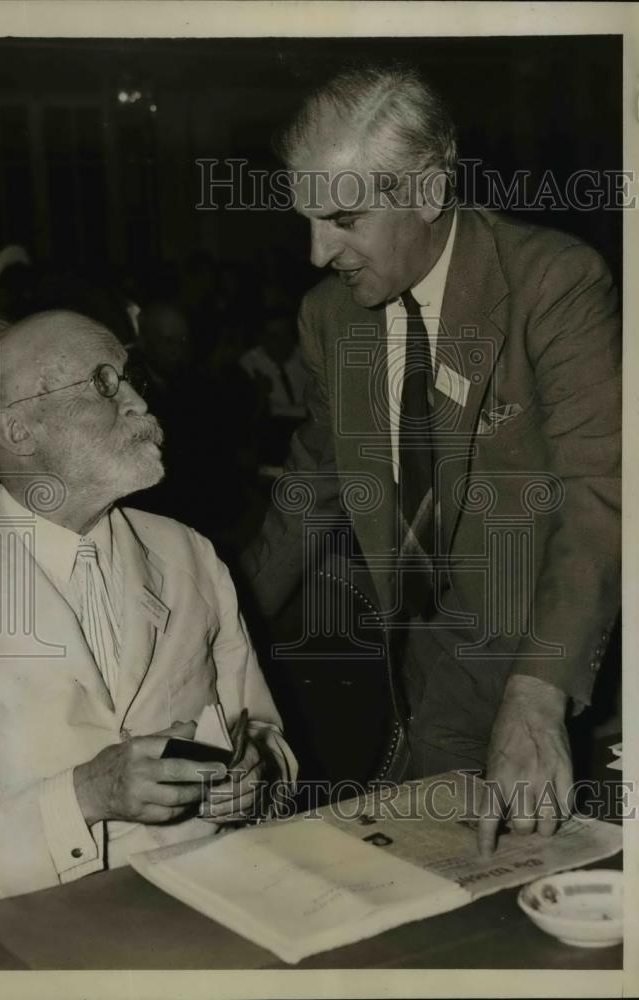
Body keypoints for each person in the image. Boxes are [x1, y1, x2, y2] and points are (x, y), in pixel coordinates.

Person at [242, 63, 620, 854]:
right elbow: (313, 482)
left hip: (554, 655)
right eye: (306, 220)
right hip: (428, 666)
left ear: (426, 190)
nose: (316, 253)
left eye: (343, 218)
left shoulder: (553, 281)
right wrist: (219, 625)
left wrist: (538, 691)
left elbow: (603, 495)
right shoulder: (327, 318)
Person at [0, 309, 296, 911]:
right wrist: (82, 796)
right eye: (103, 383)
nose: (137, 402)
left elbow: (263, 733)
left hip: (218, 903)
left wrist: (257, 775)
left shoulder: (189, 552)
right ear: (19, 429)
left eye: (129, 379)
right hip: (41, 933)